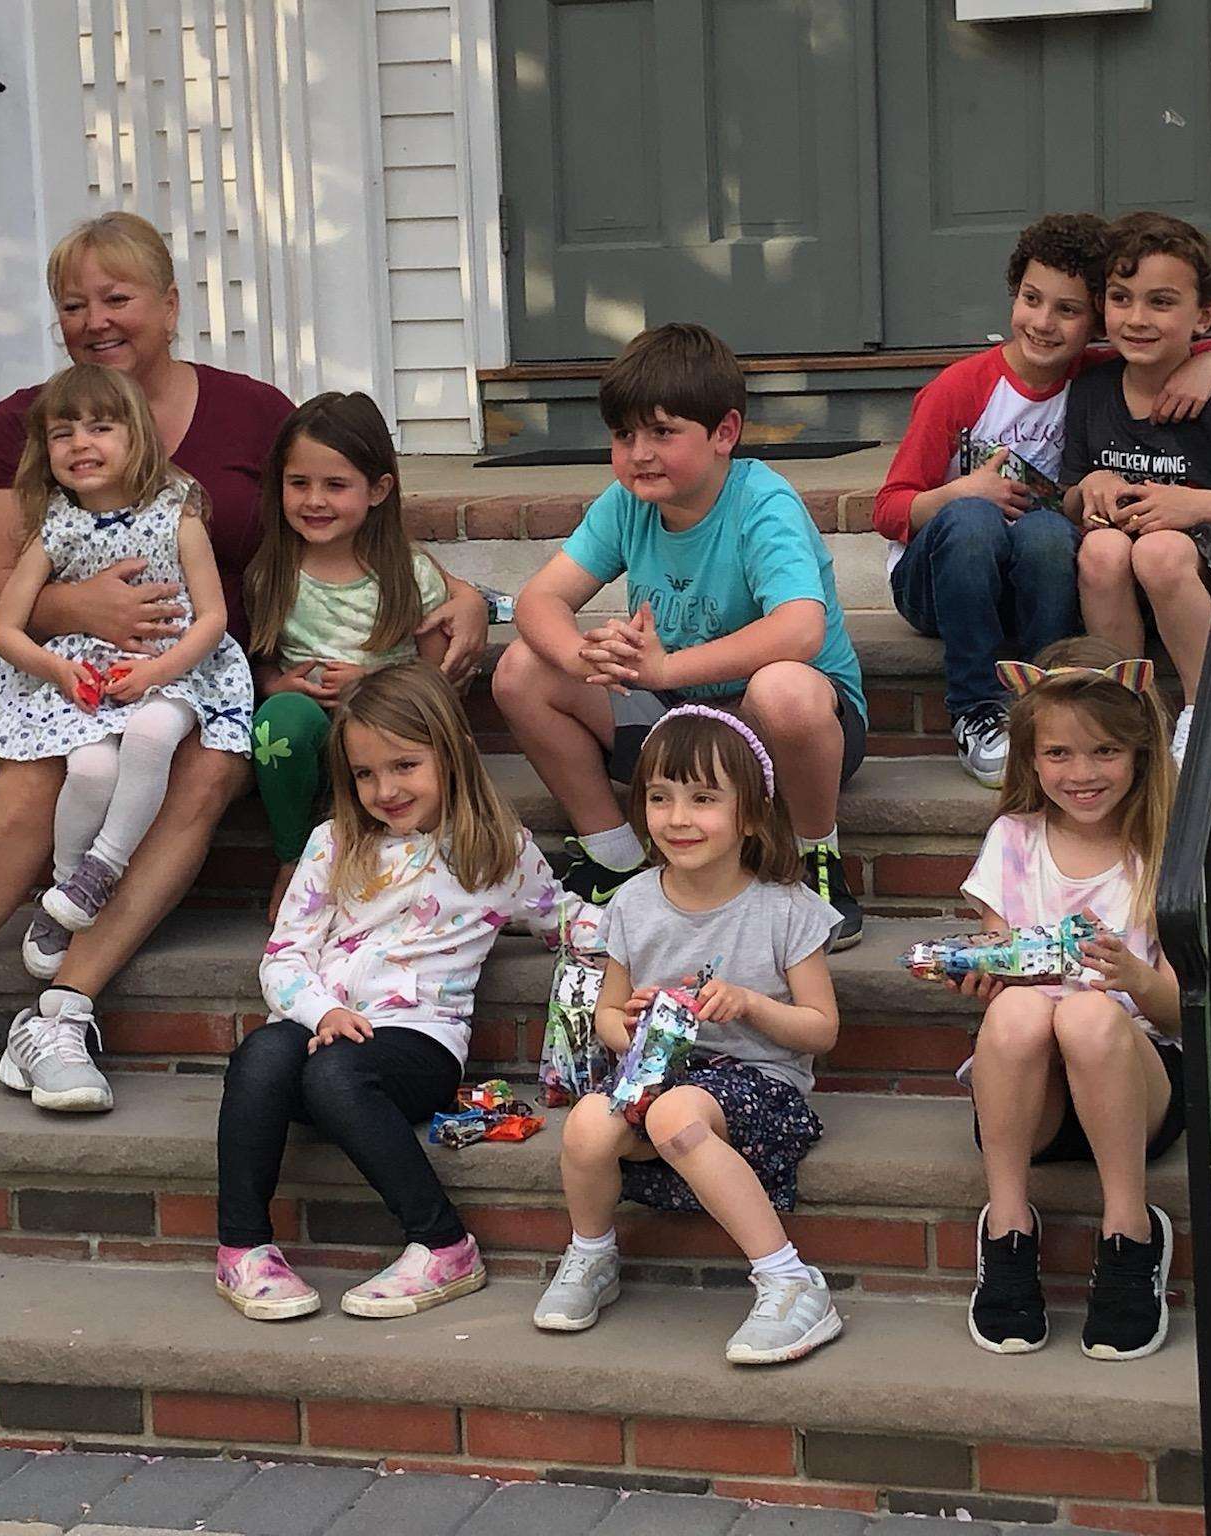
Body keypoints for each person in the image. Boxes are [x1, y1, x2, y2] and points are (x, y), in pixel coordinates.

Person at [0, 211, 488, 1119]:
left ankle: (62, 1010)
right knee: (34, 790)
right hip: (68, 678)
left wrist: (459, 589)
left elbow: (340, 515)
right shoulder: (26, 420)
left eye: (118, 297)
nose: (97, 319)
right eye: (73, 304)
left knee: (204, 773)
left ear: (171, 305)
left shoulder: (252, 411)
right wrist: (82, 612)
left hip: (217, 680)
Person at [491, 323, 870, 948]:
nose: (639, 454)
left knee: (786, 689)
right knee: (523, 668)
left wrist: (665, 669)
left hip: (783, 736)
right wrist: (582, 655)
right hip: (676, 727)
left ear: (725, 433)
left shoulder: (762, 503)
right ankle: (614, 854)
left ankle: (814, 860)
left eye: (662, 433)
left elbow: (802, 629)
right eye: (623, 435)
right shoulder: (625, 503)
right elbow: (540, 598)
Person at [214, 664, 573, 1320]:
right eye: (365, 774)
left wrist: (671, 923)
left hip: (418, 1045)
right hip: (321, 1026)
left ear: (453, 752)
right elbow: (284, 957)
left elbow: (567, 920)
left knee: (335, 1076)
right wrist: (324, 1009)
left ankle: (442, 1243)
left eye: (405, 765)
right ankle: (244, 1248)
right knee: (260, 1054)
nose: (385, 789)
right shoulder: (336, 844)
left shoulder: (497, 852)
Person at [0, 364, 253, 1108]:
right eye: (63, 433)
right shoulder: (54, 525)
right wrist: (57, 672)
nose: (80, 443)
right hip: (86, 677)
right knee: (88, 771)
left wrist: (162, 671)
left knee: (152, 736)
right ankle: (63, 899)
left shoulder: (178, 509)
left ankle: (98, 873)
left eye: (100, 427)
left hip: (179, 672)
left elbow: (211, 616)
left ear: (137, 437)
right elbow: (5, 628)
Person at [876, 214, 1211, 788]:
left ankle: (1052, 689)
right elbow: (888, 510)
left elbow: (1200, 342)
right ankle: (979, 709)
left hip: (1037, 570)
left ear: (1094, 320)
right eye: (1031, 299)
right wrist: (958, 493)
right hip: (945, 576)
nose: (1044, 323)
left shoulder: (1098, 375)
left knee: (1050, 530)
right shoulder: (962, 388)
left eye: (1070, 310)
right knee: (979, 517)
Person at [532, 707, 844, 1366]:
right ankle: (591, 1255)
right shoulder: (635, 902)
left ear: (751, 814)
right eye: (659, 797)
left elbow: (821, 1030)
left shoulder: (784, 906)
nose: (678, 817)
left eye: (703, 799)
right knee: (589, 1123)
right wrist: (635, 1019)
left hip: (760, 1089)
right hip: (659, 1072)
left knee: (673, 1113)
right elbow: (610, 1019)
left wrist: (752, 1005)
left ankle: (791, 1281)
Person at [957, 637, 1184, 1362]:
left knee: (1087, 1012)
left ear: (1141, 752)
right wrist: (987, 976)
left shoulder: (1164, 849)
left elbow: (1185, 1012)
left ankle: (1130, 1232)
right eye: (1058, 755)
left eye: (1104, 753)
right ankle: (1008, 1226)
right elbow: (1004, 964)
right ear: (1030, 759)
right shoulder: (1013, 840)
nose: (1081, 774)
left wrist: (1134, 977)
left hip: (1136, 1085)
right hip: (1032, 1101)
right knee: (1021, 1009)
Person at [243, 391, 451, 919]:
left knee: (389, 736)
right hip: (307, 730)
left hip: (387, 731)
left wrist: (374, 682)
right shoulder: (271, 574)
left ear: (378, 489)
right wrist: (276, 686)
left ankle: (389, 866)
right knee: (278, 724)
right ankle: (294, 860)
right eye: (299, 483)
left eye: (336, 485)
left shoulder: (409, 574)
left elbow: (437, 680)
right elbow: (259, 664)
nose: (315, 500)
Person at [1061, 212, 1211, 765]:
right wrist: (1093, 485)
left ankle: (1209, 710)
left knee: (1162, 549)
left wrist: (1190, 504)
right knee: (1099, 549)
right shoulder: (1093, 389)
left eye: (1161, 302)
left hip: (1207, 575)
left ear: (1206, 315)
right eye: (1121, 298)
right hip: (1121, 576)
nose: (1137, 318)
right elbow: (1070, 493)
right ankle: (1129, 708)